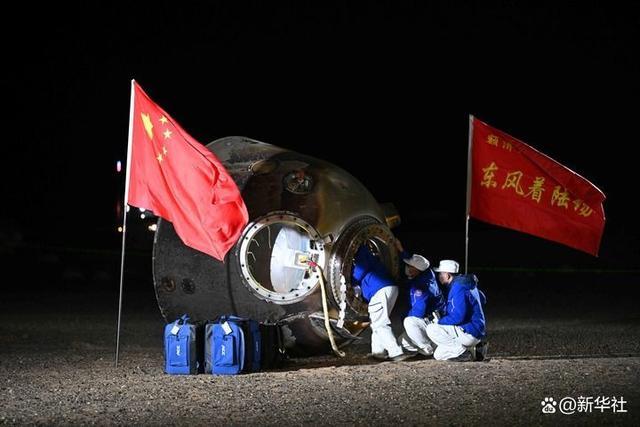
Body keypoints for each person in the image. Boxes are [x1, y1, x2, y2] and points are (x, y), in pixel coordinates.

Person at [352, 243, 412, 362]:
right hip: (389, 289)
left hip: (380, 290)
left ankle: (396, 352)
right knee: (376, 322)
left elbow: (358, 273)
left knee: (380, 323)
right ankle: (378, 352)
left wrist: (351, 282)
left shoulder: (362, 254)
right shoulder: (370, 256)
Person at [426, 260, 488, 361]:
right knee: (439, 355)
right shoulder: (467, 284)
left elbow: (458, 316)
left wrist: (440, 321)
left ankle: (462, 352)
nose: (439, 276)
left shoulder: (458, 287)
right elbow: (483, 299)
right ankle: (476, 349)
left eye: (441, 273)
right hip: (476, 331)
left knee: (431, 328)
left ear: (448, 275)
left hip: (470, 331)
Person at [394, 239, 444, 357]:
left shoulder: (420, 288)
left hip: (434, 323)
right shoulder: (426, 273)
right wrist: (400, 250)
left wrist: (404, 317)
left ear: (417, 269)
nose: (407, 268)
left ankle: (428, 348)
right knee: (402, 342)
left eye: (410, 267)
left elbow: (418, 312)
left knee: (409, 321)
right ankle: (430, 345)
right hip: (430, 320)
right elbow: (414, 261)